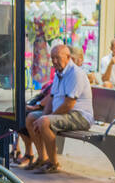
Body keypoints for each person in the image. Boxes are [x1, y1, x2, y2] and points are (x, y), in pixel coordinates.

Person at [25, 43, 93, 174]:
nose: (54, 61)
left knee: (44, 122)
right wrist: (44, 114)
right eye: (52, 58)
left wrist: (48, 118)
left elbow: (69, 104)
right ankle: (42, 158)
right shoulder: (58, 74)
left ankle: (54, 163)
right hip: (65, 113)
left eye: (57, 58)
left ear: (68, 57)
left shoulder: (76, 74)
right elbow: (51, 98)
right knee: (31, 118)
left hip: (80, 116)